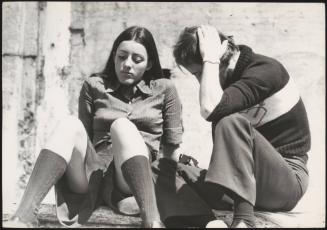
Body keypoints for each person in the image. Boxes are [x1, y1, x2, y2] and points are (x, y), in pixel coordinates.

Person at [5, 26, 184, 228]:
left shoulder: (165, 89)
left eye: (137, 59)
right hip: (94, 176)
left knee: (122, 126)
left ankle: (152, 222)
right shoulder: (94, 85)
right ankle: (23, 217)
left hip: (132, 183)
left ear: (150, 63)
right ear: (114, 55)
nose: (127, 64)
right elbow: (84, 137)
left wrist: (167, 195)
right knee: (70, 124)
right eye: (122, 56)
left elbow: (171, 148)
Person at [172, 25, 311, 228]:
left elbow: (210, 109)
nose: (201, 81)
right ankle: (209, 223)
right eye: (196, 75)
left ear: (221, 55)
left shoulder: (266, 70)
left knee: (230, 120)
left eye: (200, 72)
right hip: (246, 186)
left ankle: (244, 221)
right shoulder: (224, 85)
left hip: (286, 182)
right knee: (165, 169)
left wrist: (210, 60)